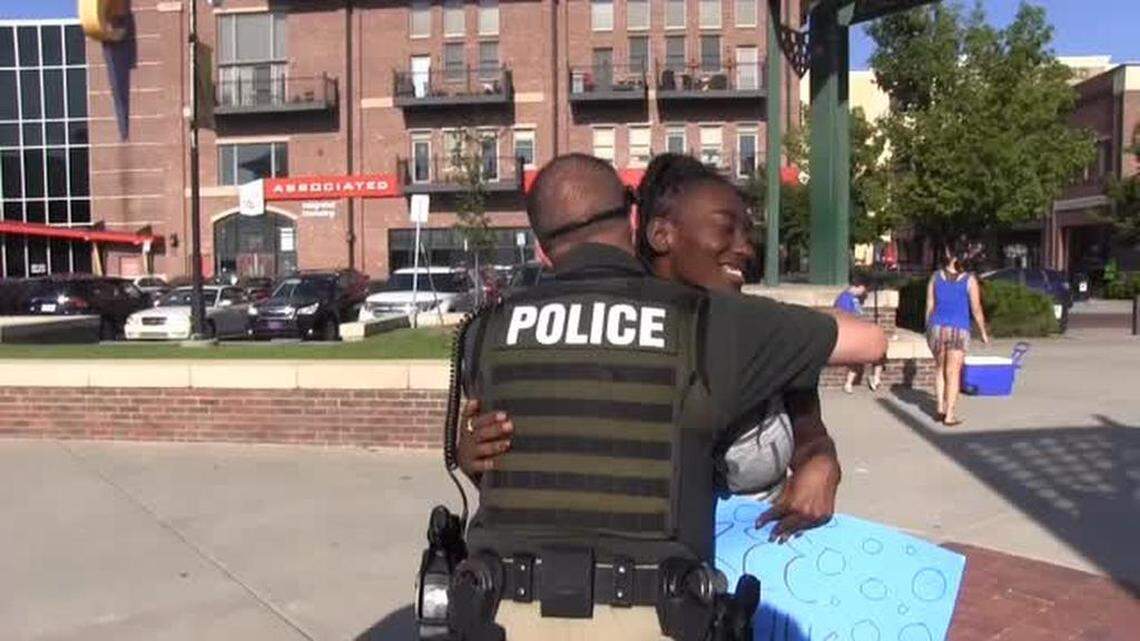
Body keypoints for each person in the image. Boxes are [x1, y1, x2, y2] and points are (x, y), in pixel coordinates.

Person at [445, 153, 886, 641]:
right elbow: (870, 342)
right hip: (650, 616)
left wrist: (466, 457)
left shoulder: (486, 331)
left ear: (541, 247)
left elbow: (508, 461)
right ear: (635, 219)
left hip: (499, 613)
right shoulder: (707, 323)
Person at [460, 154, 844, 541]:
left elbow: (813, 429)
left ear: (542, 247)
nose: (745, 247)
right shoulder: (675, 327)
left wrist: (822, 461)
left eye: (746, 232)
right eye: (726, 228)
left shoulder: (484, 332)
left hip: (762, 563)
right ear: (644, 227)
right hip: (668, 573)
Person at [926, 247, 989, 426]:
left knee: (939, 369)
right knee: (953, 373)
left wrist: (928, 326)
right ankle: (950, 414)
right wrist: (983, 332)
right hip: (959, 329)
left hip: (937, 327)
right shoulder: (969, 280)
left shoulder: (935, 277)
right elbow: (976, 308)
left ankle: (939, 408)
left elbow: (930, 305)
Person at [834, 276, 883, 393]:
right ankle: (849, 382)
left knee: (880, 348)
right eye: (864, 290)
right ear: (859, 286)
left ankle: (875, 377)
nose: (863, 294)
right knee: (859, 355)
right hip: (850, 332)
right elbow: (843, 318)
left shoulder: (854, 299)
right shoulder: (844, 299)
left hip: (859, 331)